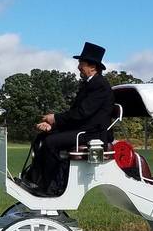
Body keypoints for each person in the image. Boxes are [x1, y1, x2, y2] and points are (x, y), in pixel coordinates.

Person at [19, 42, 115, 196]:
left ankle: (49, 187)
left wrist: (55, 119)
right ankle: (34, 179)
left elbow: (81, 113)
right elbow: (75, 114)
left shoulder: (100, 86)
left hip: (94, 133)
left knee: (51, 142)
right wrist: (52, 126)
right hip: (84, 129)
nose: (78, 67)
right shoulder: (89, 85)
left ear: (93, 67)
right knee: (42, 136)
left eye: (81, 64)